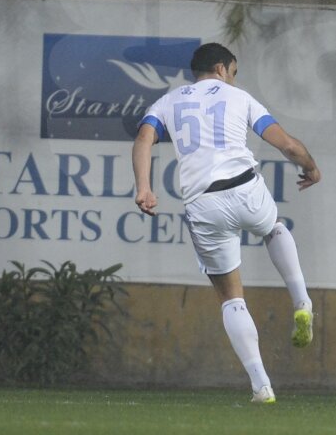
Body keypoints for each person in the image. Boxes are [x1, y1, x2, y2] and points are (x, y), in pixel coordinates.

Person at [132, 42, 321, 405]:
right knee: (273, 228)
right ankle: (302, 302)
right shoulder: (241, 98)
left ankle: (261, 386)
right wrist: (310, 166)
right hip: (245, 188)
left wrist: (144, 187)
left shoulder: (168, 102)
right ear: (222, 68)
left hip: (203, 204)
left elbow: (144, 138)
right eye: (233, 72)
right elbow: (288, 146)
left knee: (232, 300)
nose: (234, 79)